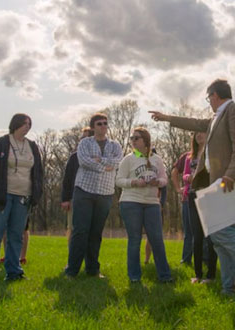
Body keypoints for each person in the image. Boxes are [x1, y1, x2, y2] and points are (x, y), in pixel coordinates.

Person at [150, 79, 235, 302]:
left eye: (208, 98)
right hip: (215, 182)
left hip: (228, 181)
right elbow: (196, 123)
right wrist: (167, 118)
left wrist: (232, 174)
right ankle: (231, 289)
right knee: (218, 237)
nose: (208, 102)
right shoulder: (217, 118)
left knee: (223, 233)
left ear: (215, 95)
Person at [0, 113, 43, 283]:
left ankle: (14, 272)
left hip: (23, 198)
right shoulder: (2, 143)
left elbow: (39, 173)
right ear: (15, 124)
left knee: (16, 235)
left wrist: (36, 193)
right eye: (24, 123)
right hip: (2, 198)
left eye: (30, 124)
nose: (27, 127)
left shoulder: (32, 146)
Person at [64, 113, 123, 278]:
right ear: (93, 127)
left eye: (105, 123)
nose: (103, 126)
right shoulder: (85, 143)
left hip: (105, 193)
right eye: (99, 124)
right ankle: (72, 270)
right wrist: (105, 165)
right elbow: (84, 162)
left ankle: (93, 270)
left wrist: (98, 161)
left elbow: (117, 162)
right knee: (80, 231)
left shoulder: (115, 145)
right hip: (84, 191)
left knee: (96, 233)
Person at [116, 127, 173, 283]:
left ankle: (165, 276)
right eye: (132, 138)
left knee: (156, 238)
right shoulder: (128, 159)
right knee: (134, 239)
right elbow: (119, 180)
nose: (133, 141)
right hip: (131, 201)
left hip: (152, 203)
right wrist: (134, 182)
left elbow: (164, 179)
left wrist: (158, 182)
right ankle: (134, 277)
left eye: (137, 138)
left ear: (145, 141)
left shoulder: (157, 159)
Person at [179, 132, 217, 284]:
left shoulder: (212, 152)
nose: (199, 135)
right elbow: (185, 173)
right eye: (196, 133)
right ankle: (198, 275)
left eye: (203, 132)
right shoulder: (190, 156)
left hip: (208, 194)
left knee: (210, 236)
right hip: (192, 195)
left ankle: (211, 275)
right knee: (197, 236)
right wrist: (186, 178)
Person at [61, 127, 94, 241]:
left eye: (86, 138)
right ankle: (73, 255)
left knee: (91, 229)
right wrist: (65, 199)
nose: (82, 140)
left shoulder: (100, 157)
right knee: (73, 228)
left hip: (94, 198)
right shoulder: (74, 157)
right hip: (75, 198)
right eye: (82, 138)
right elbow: (67, 179)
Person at [171, 146, 194, 265]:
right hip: (187, 198)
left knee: (205, 232)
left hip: (204, 197)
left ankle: (205, 261)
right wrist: (177, 189)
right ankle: (186, 260)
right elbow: (174, 172)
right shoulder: (186, 156)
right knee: (188, 231)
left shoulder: (209, 152)